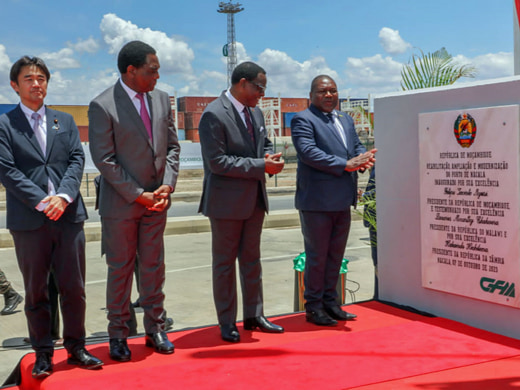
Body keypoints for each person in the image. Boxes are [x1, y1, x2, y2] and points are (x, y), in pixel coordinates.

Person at [0, 56, 103, 379]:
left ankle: (76, 347)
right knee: (37, 290)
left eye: (42, 78)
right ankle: (43, 352)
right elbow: (7, 170)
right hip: (30, 221)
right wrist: (43, 201)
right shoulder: (5, 124)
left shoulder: (64, 121)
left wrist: (63, 196)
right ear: (15, 85)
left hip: (68, 216)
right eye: (29, 79)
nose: (36, 84)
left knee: (74, 287)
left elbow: (76, 159)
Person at [88, 40, 180, 361]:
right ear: (131, 71)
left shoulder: (162, 100)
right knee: (121, 269)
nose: (157, 76)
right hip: (123, 205)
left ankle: (156, 327)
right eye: (151, 70)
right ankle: (118, 334)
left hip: (157, 202)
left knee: (154, 267)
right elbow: (104, 159)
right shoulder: (103, 106)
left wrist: (166, 186)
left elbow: (172, 148)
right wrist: (138, 195)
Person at [198, 61, 285, 343]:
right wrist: (261, 164)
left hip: (254, 200)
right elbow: (217, 162)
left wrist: (270, 158)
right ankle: (227, 322)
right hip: (225, 204)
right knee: (224, 265)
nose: (262, 94)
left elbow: (264, 145)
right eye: (259, 88)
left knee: (252, 261)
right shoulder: (213, 114)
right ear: (242, 83)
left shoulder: (256, 113)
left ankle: (254, 315)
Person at [291, 75, 376, 326]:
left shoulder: (345, 119)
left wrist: (362, 158)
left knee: (335, 256)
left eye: (333, 91)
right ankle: (313, 307)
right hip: (316, 202)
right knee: (317, 257)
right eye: (322, 91)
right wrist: (346, 165)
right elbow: (308, 152)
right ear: (311, 95)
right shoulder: (303, 119)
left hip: (342, 200)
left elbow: (357, 146)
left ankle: (332, 303)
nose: (329, 95)